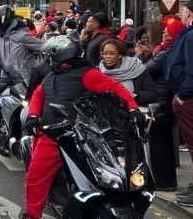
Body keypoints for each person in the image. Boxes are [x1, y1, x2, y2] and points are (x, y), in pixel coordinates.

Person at [22, 35, 142, 219]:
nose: (47, 59)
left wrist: (133, 109)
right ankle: (32, 214)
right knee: (36, 175)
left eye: (50, 55)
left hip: (85, 135)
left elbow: (115, 89)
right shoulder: (51, 76)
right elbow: (38, 96)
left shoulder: (88, 74)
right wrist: (32, 115)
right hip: (54, 135)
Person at [0, 5, 44, 161]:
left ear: (4, 20)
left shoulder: (23, 36)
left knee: (35, 111)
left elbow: (44, 47)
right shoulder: (1, 37)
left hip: (26, 82)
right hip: (5, 81)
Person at [139, 17, 182, 191]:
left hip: (161, 102)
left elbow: (147, 70)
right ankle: (165, 180)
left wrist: (142, 57)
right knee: (161, 143)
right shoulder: (164, 50)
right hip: (162, 100)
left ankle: (164, 182)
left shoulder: (166, 52)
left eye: (167, 32)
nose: (164, 34)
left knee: (159, 145)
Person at [167, 0, 193, 206]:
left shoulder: (191, 36)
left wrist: (183, 95)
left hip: (188, 98)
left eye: (184, 11)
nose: (182, 15)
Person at [98, 38, 157, 105]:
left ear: (120, 55)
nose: (107, 57)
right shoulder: (98, 72)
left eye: (112, 53)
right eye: (105, 54)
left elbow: (152, 94)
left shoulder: (136, 68)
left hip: (134, 110)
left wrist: (135, 96)